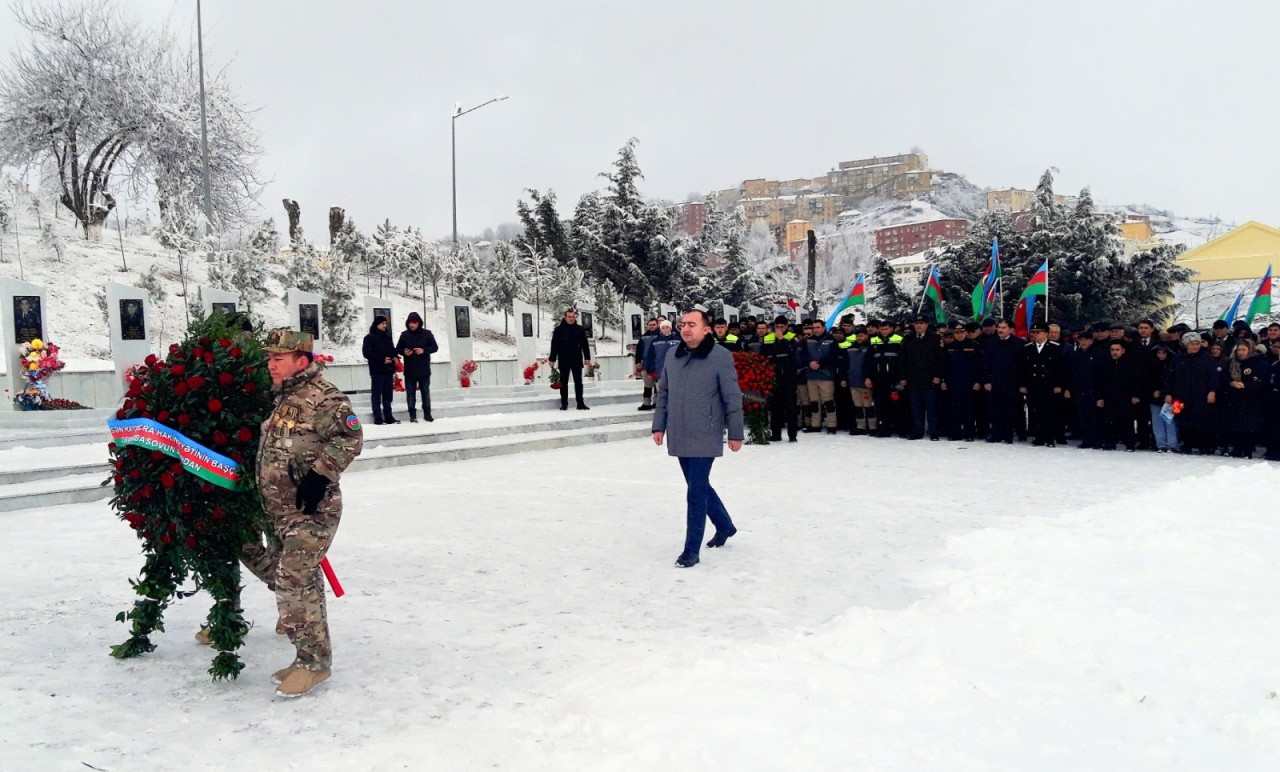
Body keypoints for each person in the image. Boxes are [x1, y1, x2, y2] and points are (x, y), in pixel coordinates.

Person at [239, 329, 364, 697]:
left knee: (294, 579)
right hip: (279, 511)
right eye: (269, 358)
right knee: (297, 579)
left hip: (312, 510)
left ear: (302, 360)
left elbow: (350, 438)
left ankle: (314, 664)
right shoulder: (283, 397)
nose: (271, 364)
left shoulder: (324, 398)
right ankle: (305, 657)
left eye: (279, 358)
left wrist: (319, 475)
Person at [652, 310, 744, 568]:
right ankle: (725, 525)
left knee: (695, 491)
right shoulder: (673, 355)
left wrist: (735, 432)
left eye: (692, 324)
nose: (685, 329)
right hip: (679, 431)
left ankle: (691, 550)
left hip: (706, 431)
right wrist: (659, 425)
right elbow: (664, 393)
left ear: (707, 330)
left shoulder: (720, 357)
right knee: (699, 485)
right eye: (683, 324)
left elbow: (732, 396)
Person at [1166, 333, 1218, 455]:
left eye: (1197, 344)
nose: (1194, 346)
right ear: (1185, 345)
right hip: (1181, 394)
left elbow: (1213, 376)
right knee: (1183, 420)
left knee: (1202, 421)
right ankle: (1187, 444)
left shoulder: (1206, 357)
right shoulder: (1178, 358)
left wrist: (1212, 391)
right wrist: (1168, 393)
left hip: (1201, 395)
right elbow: (1170, 376)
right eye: (1191, 344)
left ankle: (1203, 446)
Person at [1019, 322, 1066, 447]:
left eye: (1038, 332)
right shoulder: (1028, 348)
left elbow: (1060, 369)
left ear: (1046, 333)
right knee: (1035, 412)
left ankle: (1049, 438)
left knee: (1049, 412)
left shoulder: (1055, 348)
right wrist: (1023, 384)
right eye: (1033, 333)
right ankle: (1039, 437)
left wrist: (1058, 384)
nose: (1034, 335)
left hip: (1049, 385)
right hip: (1033, 385)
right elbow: (1023, 368)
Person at [1219, 340, 1267, 458]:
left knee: (1249, 425)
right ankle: (1237, 448)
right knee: (1235, 424)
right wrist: (1231, 383)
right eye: (1239, 350)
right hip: (1234, 398)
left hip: (1251, 399)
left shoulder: (1256, 362)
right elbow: (1224, 377)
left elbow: (1261, 381)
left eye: (1244, 350)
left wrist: (1246, 385)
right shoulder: (1231, 363)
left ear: (1249, 350)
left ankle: (1247, 449)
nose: (1241, 352)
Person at [900, 314, 944, 440]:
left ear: (926, 325)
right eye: (917, 323)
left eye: (921, 323)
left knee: (931, 407)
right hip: (913, 379)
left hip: (929, 379)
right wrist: (902, 376)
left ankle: (933, 432)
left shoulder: (935, 339)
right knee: (916, 408)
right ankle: (917, 431)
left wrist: (937, 375)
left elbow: (940, 360)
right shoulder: (908, 338)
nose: (918, 325)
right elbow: (902, 360)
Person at [1094, 340, 1141, 451]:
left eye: (1117, 350)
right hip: (1109, 397)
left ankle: (1130, 444)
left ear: (1123, 351)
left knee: (1127, 422)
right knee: (1109, 421)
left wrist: (1136, 395)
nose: (1115, 352)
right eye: (1112, 350)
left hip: (1126, 397)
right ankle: (1110, 442)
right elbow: (1099, 381)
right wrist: (1099, 397)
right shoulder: (1105, 363)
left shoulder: (1131, 363)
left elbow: (1138, 380)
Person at [982, 319, 1022, 443]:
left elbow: (1021, 365)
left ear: (1010, 329)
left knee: (1010, 410)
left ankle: (1008, 435)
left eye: (1004, 327)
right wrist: (986, 381)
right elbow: (984, 364)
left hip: (1011, 383)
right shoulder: (990, 343)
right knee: (995, 410)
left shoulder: (1018, 343)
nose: (1000, 330)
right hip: (994, 383)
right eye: (999, 327)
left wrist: (1021, 383)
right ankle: (996, 434)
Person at [941, 322, 983, 441]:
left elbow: (979, 365)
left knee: (968, 409)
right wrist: (943, 380)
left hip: (968, 383)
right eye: (956, 332)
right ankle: (955, 433)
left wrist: (977, 381)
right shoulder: (949, 347)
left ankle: (969, 433)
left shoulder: (974, 346)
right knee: (954, 409)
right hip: (953, 383)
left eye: (961, 332)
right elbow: (945, 366)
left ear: (965, 332)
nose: (959, 335)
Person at [762, 316, 801, 442]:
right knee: (775, 407)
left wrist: (782, 340)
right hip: (773, 377)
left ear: (786, 326)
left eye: (782, 327)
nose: (779, 329)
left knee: (790, 407)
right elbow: (763, 356)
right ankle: (776, 433)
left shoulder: (791, 337)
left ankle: (792, 435)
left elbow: (793, 353)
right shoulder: (768, 338)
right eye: (777, 327)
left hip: (788, 377)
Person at [395, 312, 438, 423]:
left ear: (419, 323)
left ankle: (427, 414)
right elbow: (398, 349)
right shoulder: (404, 335)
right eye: (410, 322)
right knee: (410, 393)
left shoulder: (427, 334)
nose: (412, 325)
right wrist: (404, 352)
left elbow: (434, 347)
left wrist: (423, 350)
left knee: (425, 391)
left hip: (423, 369)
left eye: (414, 322)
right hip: (410, 369)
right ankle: (412, 415)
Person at [549, 309, 594, 410]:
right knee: (563, 383)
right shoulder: (559, 330)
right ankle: (564, 404)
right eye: (569, 317)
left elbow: (585, 345)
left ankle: (580, 403)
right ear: (565, 317)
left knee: (578, 382)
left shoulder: (580, 329)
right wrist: (552, 358)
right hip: (564, 359)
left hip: (576, 359)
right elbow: (554, 345)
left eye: (573, 317)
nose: (571, 319)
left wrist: (587, 358)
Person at [361, 315, 398, 425]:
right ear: (377, 324)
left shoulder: (387, 337)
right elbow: (367, 353)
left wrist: (395, 356)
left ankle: (388, 416)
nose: (385, 325)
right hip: (377, 370)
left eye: (386, 324)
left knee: (388, 395)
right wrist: (382, 359)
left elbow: (392, 349)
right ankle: (377, 417)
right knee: (377, 394)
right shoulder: (369, 337)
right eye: (382, 323)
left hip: (388, 369)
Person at [802, 319, 838, 433]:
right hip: (811, 375)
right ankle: (815, 424)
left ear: (823, 327)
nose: (816, 330)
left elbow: (834, 355)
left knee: (828, 401)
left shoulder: (831, 340)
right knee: (814, 401)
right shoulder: (808, 341)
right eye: (814, 328)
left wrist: (820, 363)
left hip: (826, 375)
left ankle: (832, 425)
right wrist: (809, 363)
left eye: (818, 327)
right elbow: (804, 355)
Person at [1144, 344, 1178, 452]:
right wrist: (1153, 390)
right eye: (1159, 353)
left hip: (1169, 397)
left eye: (1163, 353)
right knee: (1157, 422)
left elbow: (1174, 381)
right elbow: (1147, 380)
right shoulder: (1151, 365)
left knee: (1170, 421)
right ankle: (1161, 444)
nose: (1161, 355)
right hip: (1155, 397)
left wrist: (1169, 393)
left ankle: (1172, 444)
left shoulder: (1172, 366)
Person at [643, 318, 681, 386]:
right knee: (661, 392)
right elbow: (651, 356)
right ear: (660, 329)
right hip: (659, 371)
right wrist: (650, 370)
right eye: (663, 328)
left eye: (667, 327)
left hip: (674, 372)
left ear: (670, 328)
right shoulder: (655, 341)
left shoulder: (678, 340)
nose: (665, 329)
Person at [635, 318, 660, 410]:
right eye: (650, 325)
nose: (652, 326)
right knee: (647, 385)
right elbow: (638, 351)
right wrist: (637, 362)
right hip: (645, 364)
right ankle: (646, 403)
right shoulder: (643, 337)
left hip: (657, 364)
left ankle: (657, 403)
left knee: (658, 385)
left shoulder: (661, 336)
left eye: (654, 324)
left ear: (657, 325)